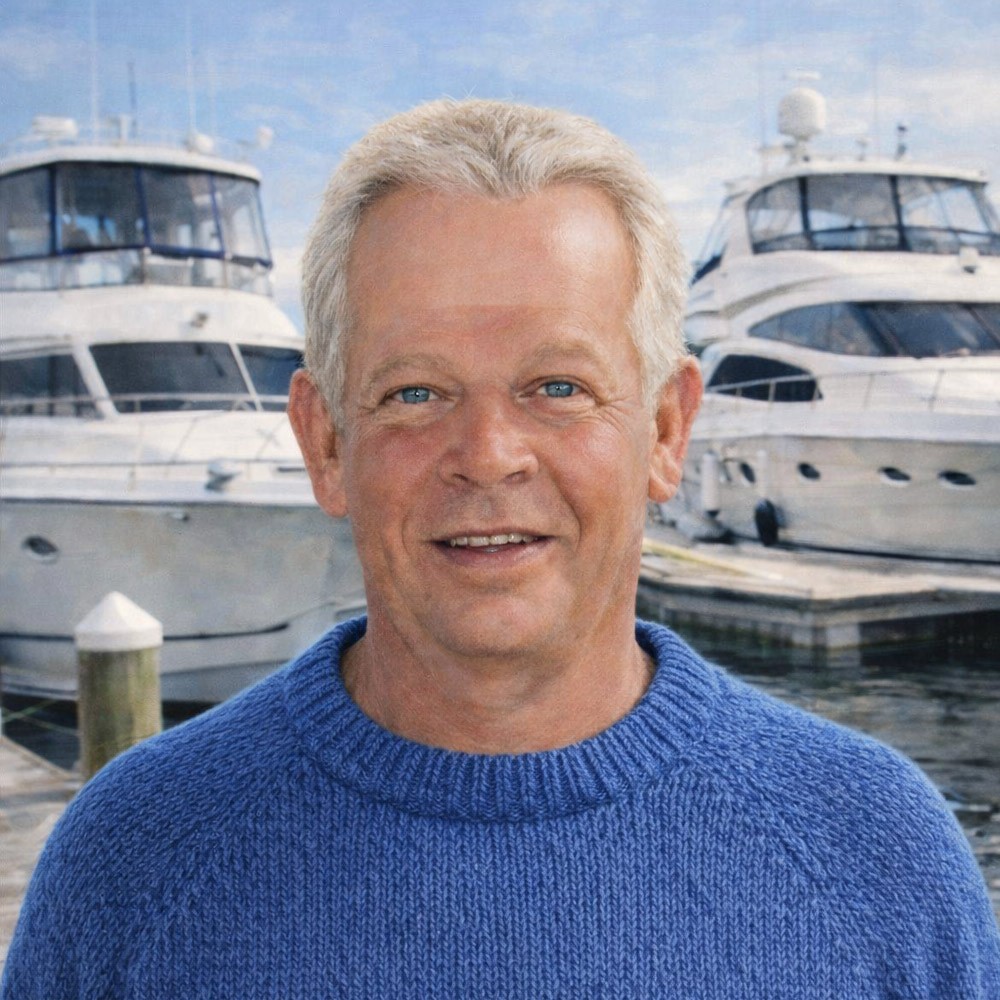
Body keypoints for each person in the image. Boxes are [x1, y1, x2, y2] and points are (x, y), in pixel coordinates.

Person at [3, 99, 998, 999]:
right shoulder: (131, 861)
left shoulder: (877, 852)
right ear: (325, 442)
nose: (487, 455)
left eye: (556, 386)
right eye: (414, 393)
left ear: (664, 431)